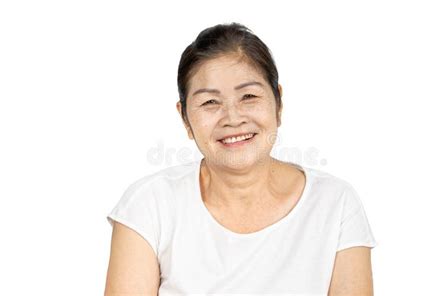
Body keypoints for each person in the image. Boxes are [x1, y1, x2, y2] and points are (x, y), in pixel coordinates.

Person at [104, 22, 377, 295]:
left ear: (278, 104)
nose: (233, 118)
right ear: (185, 118)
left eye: (248, 96)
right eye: (210, 102)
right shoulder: (149, 205)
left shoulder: (335, 204)